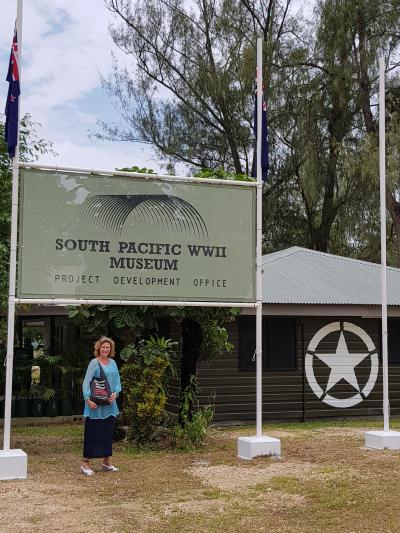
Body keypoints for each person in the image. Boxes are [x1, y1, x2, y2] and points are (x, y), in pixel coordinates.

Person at [80, 336, 122, 476]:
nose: (105, 349)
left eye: (107, 347)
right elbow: (86, 382)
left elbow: (117, 381)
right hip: (95, 404)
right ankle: (85, 463)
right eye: (103, 347)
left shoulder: (113, 363)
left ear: (111, 349)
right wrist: (87, 399)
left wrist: (116, 393)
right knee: (92, 432)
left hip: (109, 404)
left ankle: (106, 462)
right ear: (99, 348)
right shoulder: (94, 363)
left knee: (107, 432)